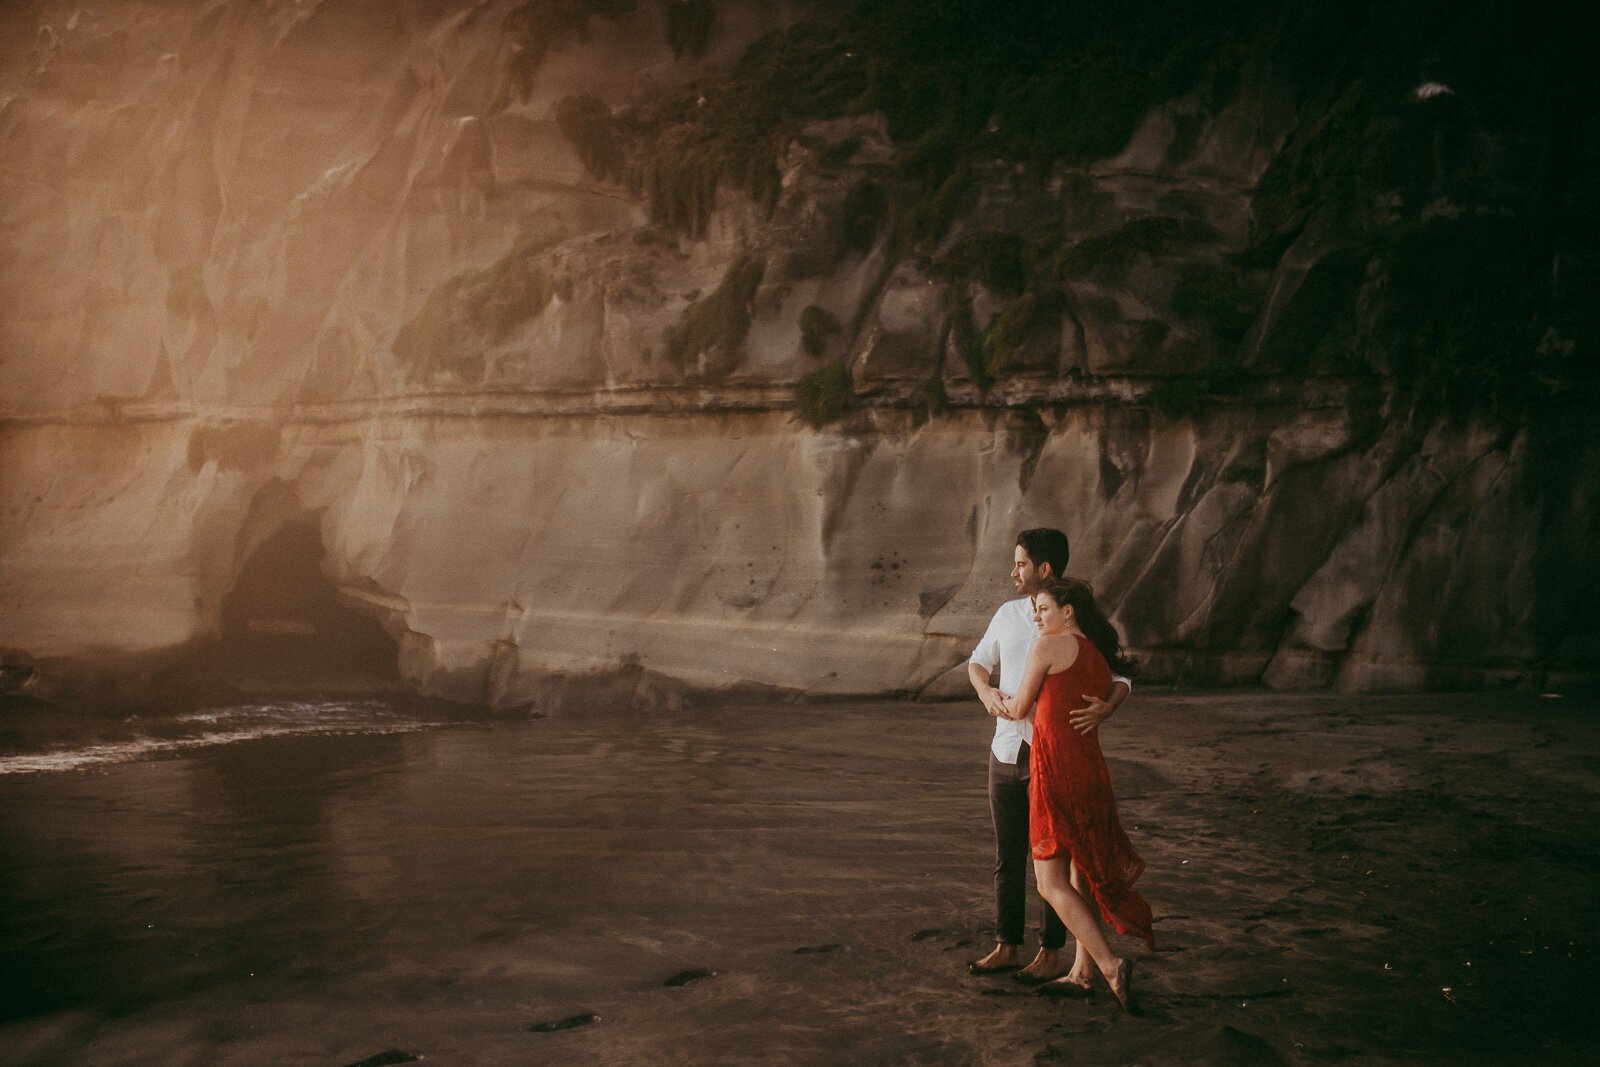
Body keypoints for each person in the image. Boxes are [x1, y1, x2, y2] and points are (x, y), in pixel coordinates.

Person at [967, 529, 1130, 985]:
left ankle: (1051, 954)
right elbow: (977, 661)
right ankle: (1006, 945)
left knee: (1054, 859)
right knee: (1010, 853)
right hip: (1005, 747)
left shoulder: (1068, 616)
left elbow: (1119, 674)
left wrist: (1109, 705)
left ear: (1043, 569)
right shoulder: (1007, 614)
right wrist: (984, 690)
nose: (1013, 572)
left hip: (1049, 755)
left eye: (1020, 564)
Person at [1000, 576, 1153, 1013]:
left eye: (1044, 609)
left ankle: (1108, 965)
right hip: (1089, 772)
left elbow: (1018, 708)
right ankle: (1082, 972)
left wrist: (990, 694)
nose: (1037, 617)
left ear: (1068, 612)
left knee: (1049, 882)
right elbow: (1111, 687)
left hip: (1056, 771)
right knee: (1077, 874)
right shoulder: (1097, 655)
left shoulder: (1049, 646)